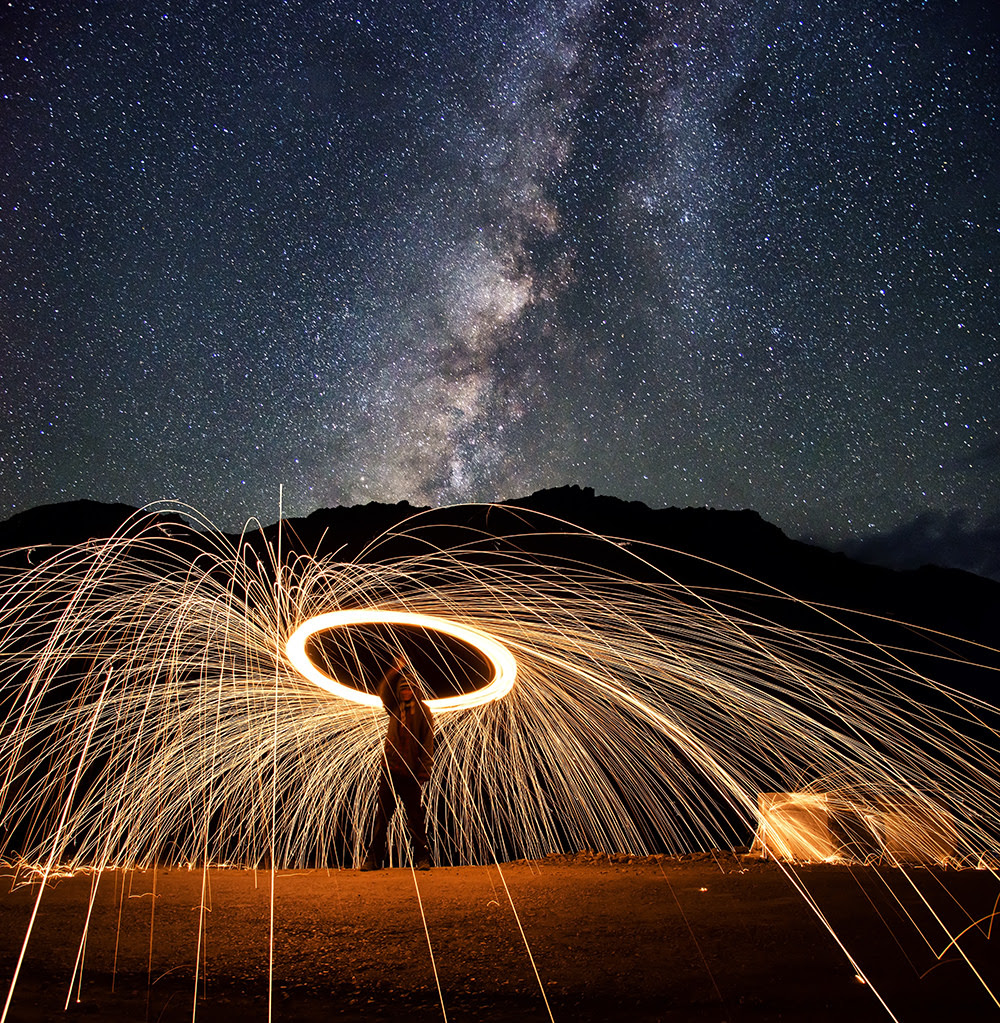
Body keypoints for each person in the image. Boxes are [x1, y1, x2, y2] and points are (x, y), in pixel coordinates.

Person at [360, 654, 435, 871]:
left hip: (411, 773)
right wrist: (394, 670)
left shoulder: (423, 711)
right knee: (382, 818)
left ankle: (422, 858)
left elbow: (428, 741)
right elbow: (383, 691)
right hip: (390, 770)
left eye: (409, 688)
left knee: (415, 819)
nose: (405, 692)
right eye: (403, 689)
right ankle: (373, 859)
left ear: (415, 689)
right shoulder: (394, 707)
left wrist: (424, 770)